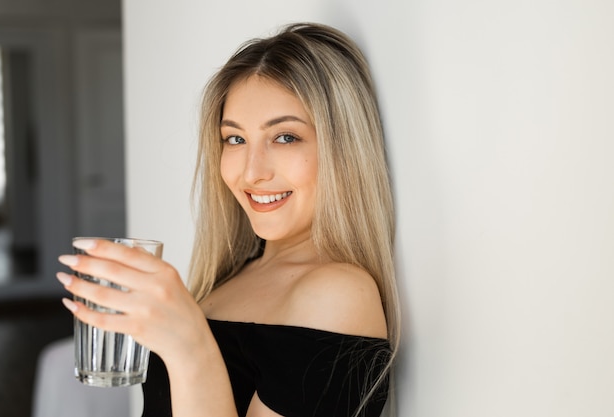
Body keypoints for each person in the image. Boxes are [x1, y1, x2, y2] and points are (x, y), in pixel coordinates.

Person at [57, 22, 401, 417]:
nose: (251, 172)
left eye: (285, 137)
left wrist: (188, 342)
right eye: (235, 139)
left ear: (346, 148)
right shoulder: (233, 274)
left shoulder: (339, 294)